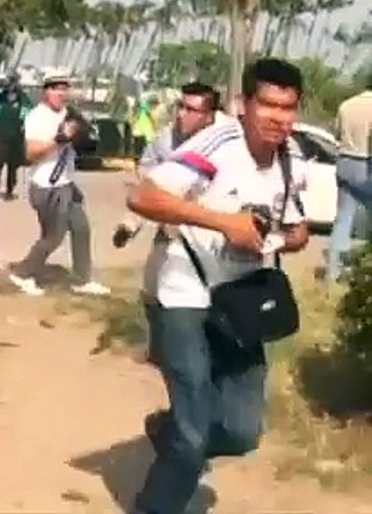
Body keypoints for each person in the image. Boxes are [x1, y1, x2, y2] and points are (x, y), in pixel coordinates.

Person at [126, 58, 309, 514]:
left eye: (287, 108)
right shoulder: (219, 144)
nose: (277, 118)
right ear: (243, 105)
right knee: (195, 433)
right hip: (181, 293)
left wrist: (277, 236)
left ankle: (169, 433)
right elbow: (143, 196)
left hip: (239, 303)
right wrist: (223, 222)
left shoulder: (292, 155)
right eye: (267, 105)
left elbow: (299, 228)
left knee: (243, 431)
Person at [7, 75, 111, 297]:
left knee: (81, 228)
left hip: (66, 183)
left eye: (64, 89)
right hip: (46, 186)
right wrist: (60, 139)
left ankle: (82, 280)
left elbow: (84, 141)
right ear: (46, 91)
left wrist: (83, 136)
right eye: (56, 89)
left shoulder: (69, 114)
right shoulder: (37, 117)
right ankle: (23, 273)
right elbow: (31, 153)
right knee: (53, 236)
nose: (61, 93)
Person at [113, 82, 222, 248]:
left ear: (209, 116)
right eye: (180, 106)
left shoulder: (224, 143)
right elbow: (147, 168)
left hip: (207, 230)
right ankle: (130, 225)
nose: (180, 114)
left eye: (190, 110)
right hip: (169, 227)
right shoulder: (166, 137)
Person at [324, 83, 372, 282]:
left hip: (345, 162)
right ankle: (364, 270)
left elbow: (336, 135)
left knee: (343, 219)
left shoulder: (346, 105)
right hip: (367, 163)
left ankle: (332, 271)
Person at [0, 72, 31, 201]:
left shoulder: (23, 99)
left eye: (11, 83)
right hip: (0, 137)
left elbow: (28, 112)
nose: (8, 87)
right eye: (6, 84)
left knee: (12, 167)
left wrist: (24, 123)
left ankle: (10, 190)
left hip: (16, 137)